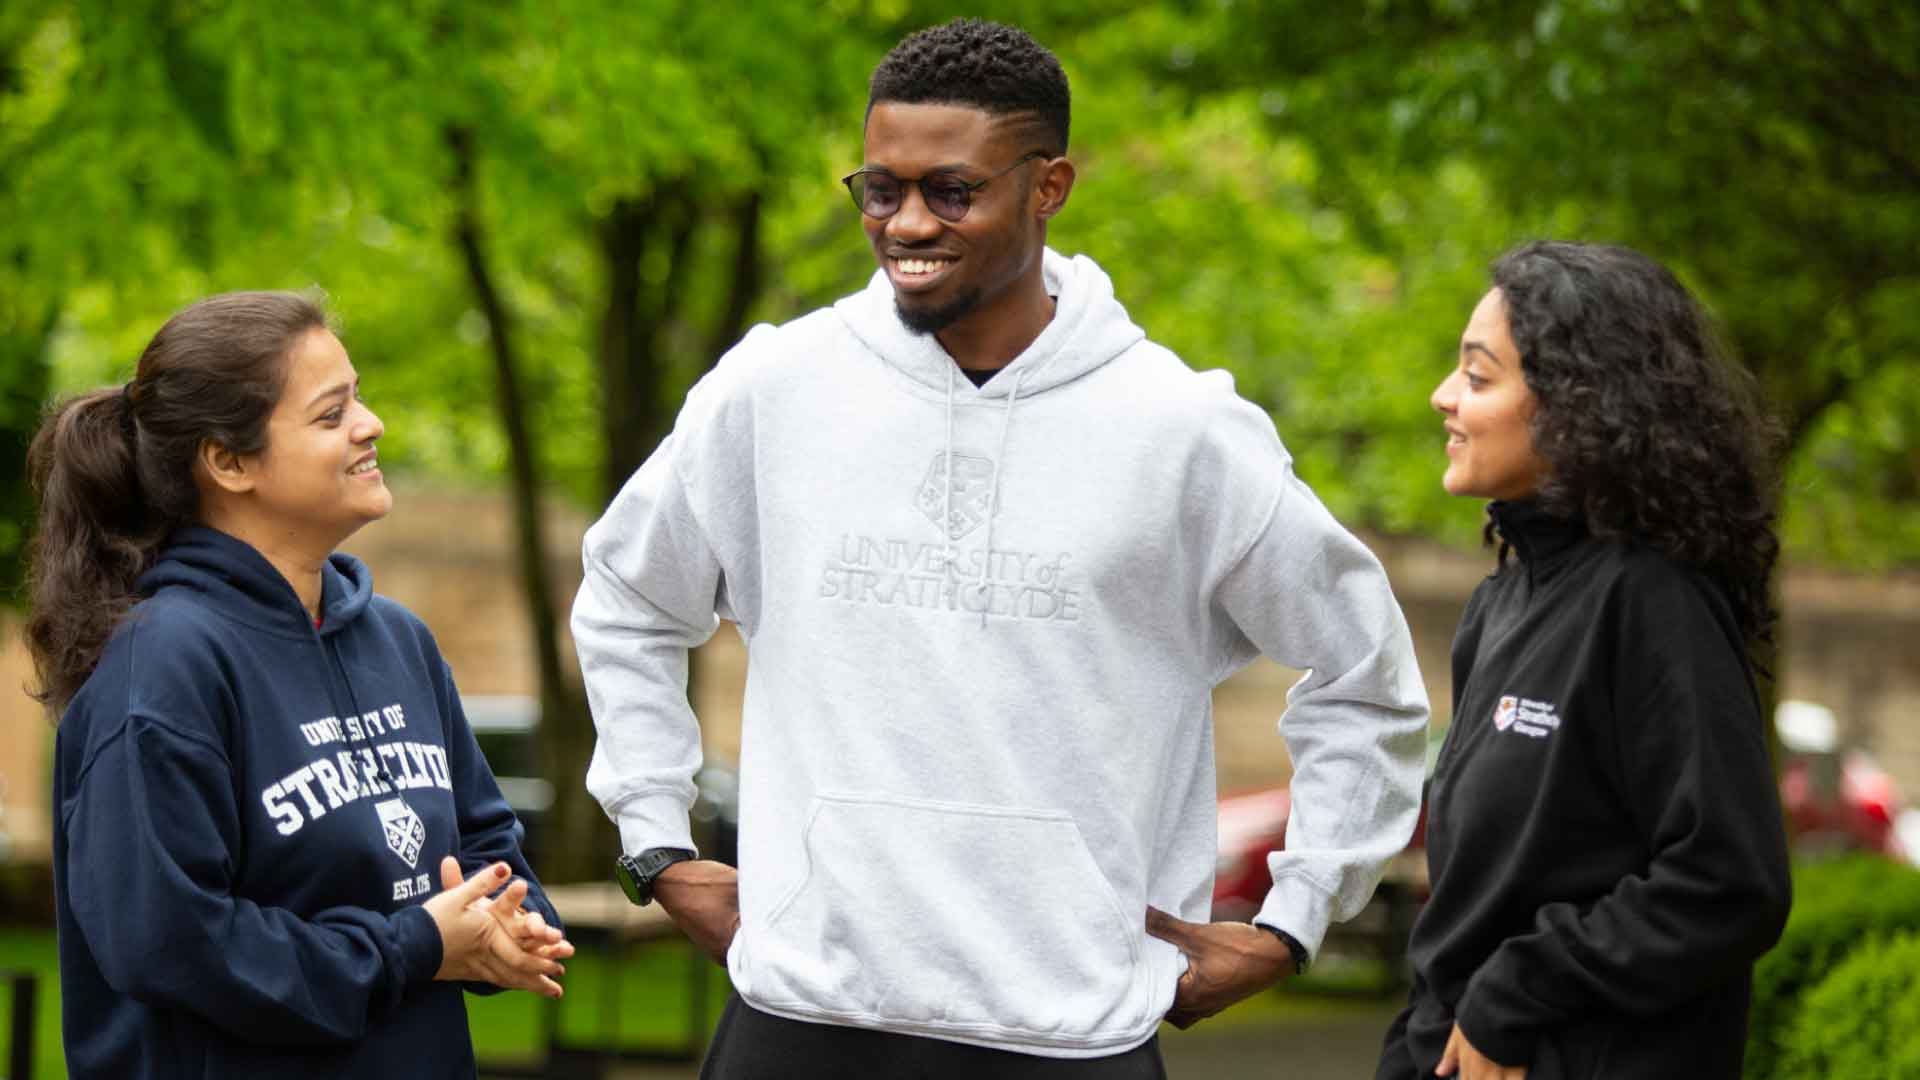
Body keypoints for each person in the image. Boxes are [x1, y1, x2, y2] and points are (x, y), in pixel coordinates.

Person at [573, 18, 1429, 1077]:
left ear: (1049, 186)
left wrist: (1296, 915)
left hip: (1069, 1031)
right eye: (879, 190)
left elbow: (1366, 676)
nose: (906, 223)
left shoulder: (1181, 432)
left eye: (952, 190)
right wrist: (656, 840)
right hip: (802, 1014)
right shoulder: (774, 391)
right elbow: (626, 593)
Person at [31, 291, 574, 1079]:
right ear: (229, 461)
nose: (371, 424)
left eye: (357, 397)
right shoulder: (165, 665)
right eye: (331, 414)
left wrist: (506, 920)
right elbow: (170, 942)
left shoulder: (399, 640)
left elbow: (485, 841)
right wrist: (414, 947)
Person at [1377, 241, 1794, 1080]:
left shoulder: (1652, 600)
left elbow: (1727, 880)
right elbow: (1482, 897)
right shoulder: (1501, 603)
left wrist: (1518, 995)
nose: (1444, 397)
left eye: (1480, 376)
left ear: (1576, 407)